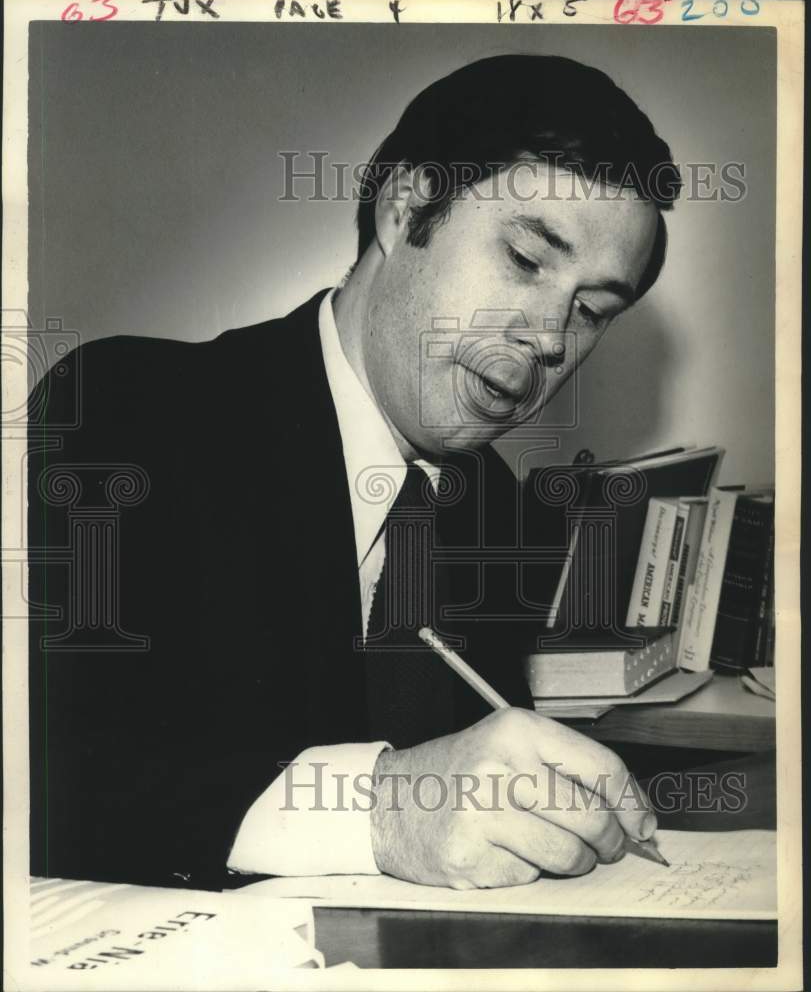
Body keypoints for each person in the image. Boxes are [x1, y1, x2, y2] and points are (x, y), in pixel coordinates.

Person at [28, 54, 681, 892]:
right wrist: (377, 808)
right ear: (404, 207)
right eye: (523, 259)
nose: (552, 335)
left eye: (593, 311)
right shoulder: (128, 411)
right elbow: (44, 772)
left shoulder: (495, 508)